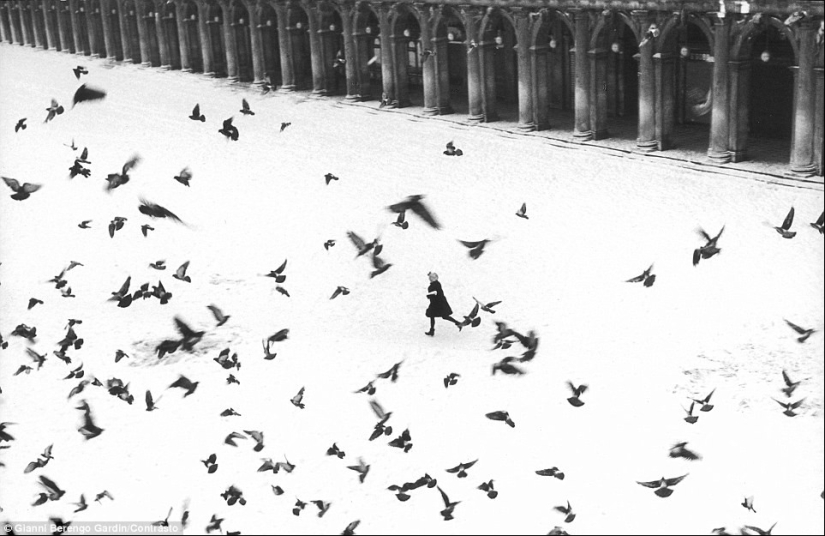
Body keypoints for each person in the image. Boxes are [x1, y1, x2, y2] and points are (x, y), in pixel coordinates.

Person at [425, 272, 462, 336]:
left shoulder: (435, 284)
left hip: (438, 303)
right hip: (437, 303)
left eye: (432, 277)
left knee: (439, 316)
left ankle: (432, 331)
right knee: (439, 316)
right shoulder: (436, 284)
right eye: (430, 277)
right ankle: (457, 323)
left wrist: (429, 296)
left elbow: (435, 293)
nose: (431, 279)